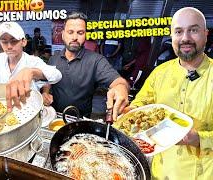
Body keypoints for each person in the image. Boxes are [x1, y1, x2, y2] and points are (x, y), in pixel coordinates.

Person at [129, 7, 213, 179]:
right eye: (179, 31)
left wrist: (199, 139)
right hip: (160, 173)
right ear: (172, 36)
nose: (185, 38)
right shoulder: (160, 72)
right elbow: (140, 105)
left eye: (193, 30)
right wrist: (129, 111)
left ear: (206, 34)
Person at [42, 12, 129, 119]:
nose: (74, 37)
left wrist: (121, 88)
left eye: (80, 32)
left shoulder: (96, 60)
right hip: (54, 117)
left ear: (85, 35)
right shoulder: (54, 58)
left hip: (80, 120)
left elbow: (118, 81)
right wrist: (45, 92)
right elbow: (48, 81)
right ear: (63, 35)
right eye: (70, 32)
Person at [0, 22, 62, 112]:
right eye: (4, 41)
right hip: (6, 109)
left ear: (23, 42)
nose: (9, 46)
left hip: (30, 110)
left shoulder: (33, 61)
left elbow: (57, 75)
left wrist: (32, 72)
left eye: (14, 41)